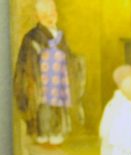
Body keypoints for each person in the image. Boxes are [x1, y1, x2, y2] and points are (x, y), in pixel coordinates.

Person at [12, 0, 84, 146]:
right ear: (38, 17)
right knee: (43, 110)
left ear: (56, 14)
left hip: (60, 79)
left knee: (59, 108)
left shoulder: (61, 35)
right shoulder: (31, 37)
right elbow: (26, 63)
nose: (50, 18)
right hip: (43, 81)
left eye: (52, 14)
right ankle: (42, 134)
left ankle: (58, 133)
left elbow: (68, 55)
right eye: (44, 15)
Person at [98, 64, 131, 155]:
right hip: (116, 154)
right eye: (129, 83)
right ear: (120, 85)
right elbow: (104, 132)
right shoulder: (117, 105)